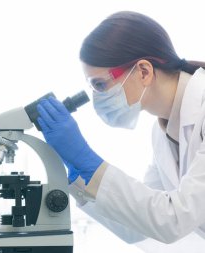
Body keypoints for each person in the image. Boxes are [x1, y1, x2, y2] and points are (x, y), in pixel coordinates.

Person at [36, 11, 205, 253]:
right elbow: (142, 226)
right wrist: (80, 177)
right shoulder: (163, 132)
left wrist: (90, 163)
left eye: (100, 84)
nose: (97, 96)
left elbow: (174, 219)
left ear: (144, 71)